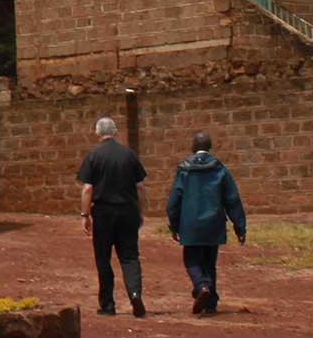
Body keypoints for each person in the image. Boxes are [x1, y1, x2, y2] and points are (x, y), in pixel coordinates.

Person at [165, 131, 248, 316]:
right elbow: (232, 199)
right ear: (210, 148)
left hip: (191, 225)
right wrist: (240, 227)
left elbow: (174, 201)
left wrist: (174, 225)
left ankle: (202, 286)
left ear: (193, 148)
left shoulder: (184, 170)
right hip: (214, 224)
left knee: (192, 260)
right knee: (210, 263)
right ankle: (210, 303)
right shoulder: (220, 169)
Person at [77, 117, 147, 317]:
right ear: (115, 131)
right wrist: (140, 211)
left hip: (104, 212)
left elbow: (87, 188)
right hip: (127, 211)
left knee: (103, 258)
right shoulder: (129, 154)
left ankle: (107, 304)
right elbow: (140, 186)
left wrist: (85, 214)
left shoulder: (93, 156)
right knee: (130, 256)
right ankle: (135, 294)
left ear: (97, 133)